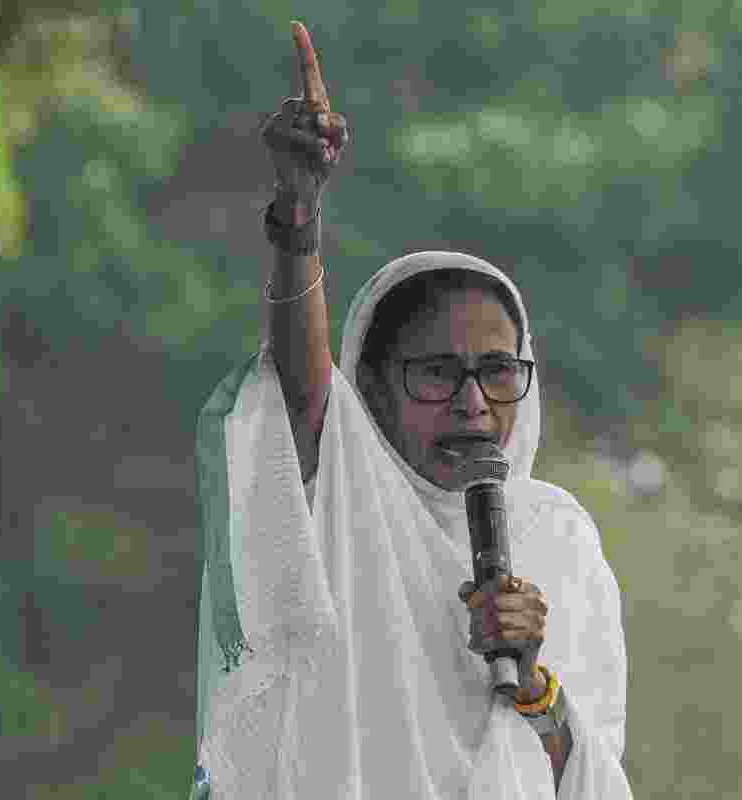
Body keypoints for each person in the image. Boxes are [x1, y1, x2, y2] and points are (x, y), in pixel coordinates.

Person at [191, 22, 631, 800]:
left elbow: (592, 777)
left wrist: (534, 682)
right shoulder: (340, 510)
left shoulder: (557, 536)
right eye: (436, 373)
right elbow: (302, 394)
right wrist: (299, 214)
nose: (473, 403)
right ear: (371, 386)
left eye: (497, 371)